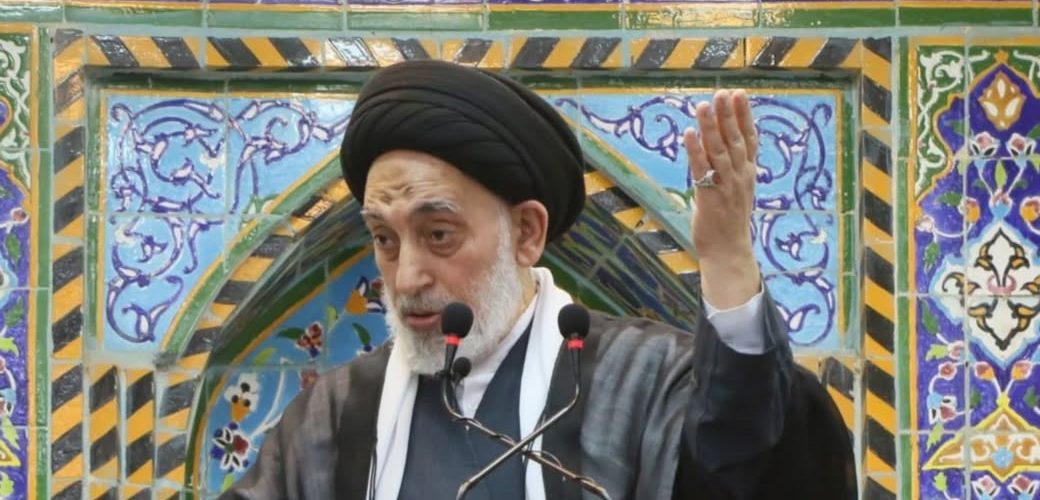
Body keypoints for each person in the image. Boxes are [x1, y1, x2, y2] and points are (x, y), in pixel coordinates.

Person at [222, 60, 855, 500]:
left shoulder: (637, 380)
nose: (406, 276)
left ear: (526, 233)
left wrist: (727, 263)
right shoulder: (337, 413)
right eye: (385, 240)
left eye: (438, 235)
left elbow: (748, 464)